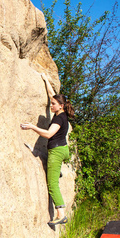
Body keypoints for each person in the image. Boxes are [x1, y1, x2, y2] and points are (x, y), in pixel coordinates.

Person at [20, 74, 75, 227]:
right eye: (51, 103)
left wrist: (32, 127)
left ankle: (61, 214)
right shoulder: (61, 113)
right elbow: (52, 95)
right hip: (64, 150)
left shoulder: (58, 118)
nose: (51, 105)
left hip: (56, 152)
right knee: (54, 172)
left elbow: (49, 134)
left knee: (52, 184)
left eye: (53, 104)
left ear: (60, 106)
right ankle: (57, 171)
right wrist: (45, 79)